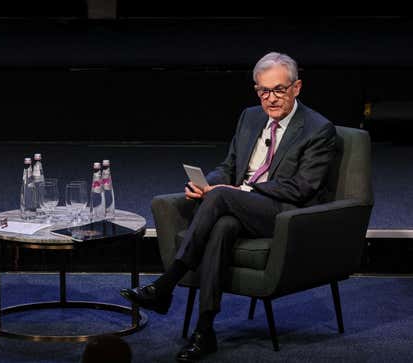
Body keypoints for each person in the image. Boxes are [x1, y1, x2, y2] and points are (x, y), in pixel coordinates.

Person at [120, 52, 337, 362]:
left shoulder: (318, 129)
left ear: (296, 88)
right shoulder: (250, 117)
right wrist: (207, 184)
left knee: (221, 197)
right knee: (222, 226)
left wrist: (236, 190)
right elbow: (229, 166)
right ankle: (205, 330)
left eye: (279, 90)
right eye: (263, 91)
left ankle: (167, 284)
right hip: (239, 207)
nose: (271, 99)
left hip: (283, 213)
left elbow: (302, 188)